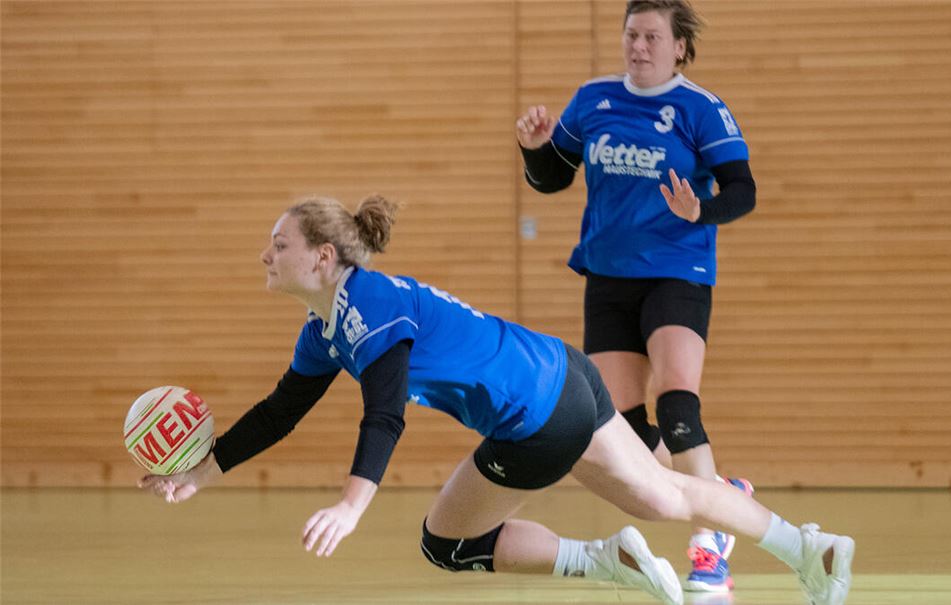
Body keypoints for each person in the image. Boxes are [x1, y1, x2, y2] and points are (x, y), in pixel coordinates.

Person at [138, 195, 853, 605]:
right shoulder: (326, 327)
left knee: (445, 543)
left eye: (278, 243)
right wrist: (195, 474)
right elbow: (278, 412)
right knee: (666, 496)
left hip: (534, 416)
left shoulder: (368, 305)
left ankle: (606, 560)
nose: (266, 254)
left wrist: (350, 507)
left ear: (323, 257)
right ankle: (810, 548)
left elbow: (384, 411)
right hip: (559, 373)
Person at [514, 0, 758, 592]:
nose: (639, 46)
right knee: (623, 425)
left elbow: (743, 189)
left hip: (678, 270)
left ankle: (708, 545)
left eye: (652, 36)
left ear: (678, 46)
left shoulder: (699, 108)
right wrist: (536, 150)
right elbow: (553, 178)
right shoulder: (594, 98)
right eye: (632, 34)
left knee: (678, 407)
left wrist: (701, 209)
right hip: (607, 277)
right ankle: (723, 499)